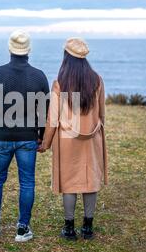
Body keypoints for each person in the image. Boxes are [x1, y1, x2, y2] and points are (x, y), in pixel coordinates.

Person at [0, 30, 50, 242]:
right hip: (28, 138)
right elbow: (44, 112)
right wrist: (40, 135)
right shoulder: (39, 76)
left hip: (2, 137)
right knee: (27, 182)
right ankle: (22, 228)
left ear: (10, 49)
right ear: (28, 51)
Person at [38, 38, 108, 240]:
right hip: (91, 137)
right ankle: (87, 227)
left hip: (67, 139)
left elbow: (52, 119)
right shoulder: (97, 80)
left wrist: (45, 143)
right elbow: (102, 113)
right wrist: (96, 127)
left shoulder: (60, 83)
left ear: (66, 57)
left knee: (69, 183)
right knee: (90, 180)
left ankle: (69, 228)